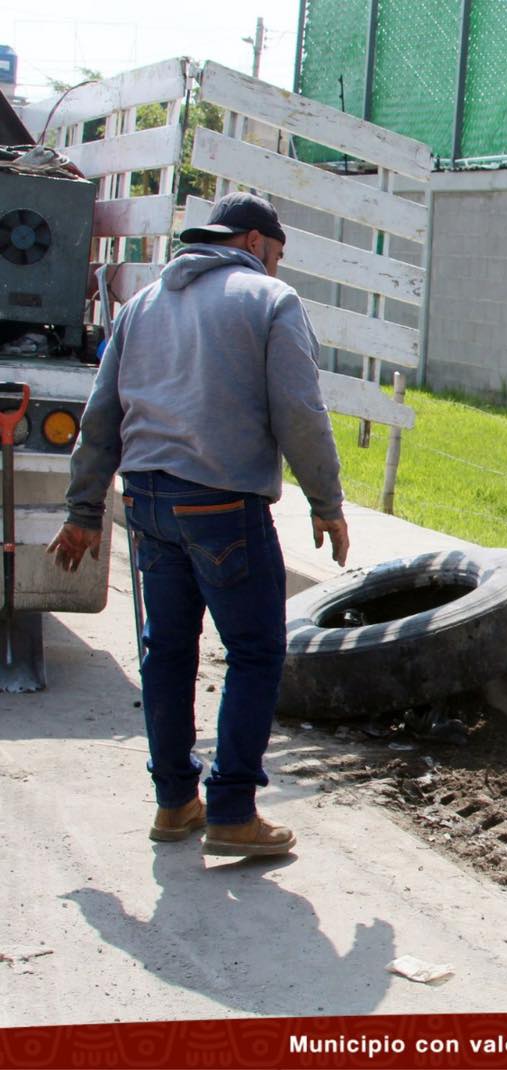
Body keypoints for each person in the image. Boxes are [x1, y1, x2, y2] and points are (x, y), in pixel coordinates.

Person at [49, 192, 349, 858]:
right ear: (250, 243)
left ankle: (174, 802)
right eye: (275, 254)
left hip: (148, 503)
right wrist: (326, 501)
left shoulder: (144, 305)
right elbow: (299, 412)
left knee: (169, 650)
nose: (275, 268)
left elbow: (102, 415)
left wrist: (83, 509)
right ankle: (234, 808)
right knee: (256, 651)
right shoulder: (270, 302)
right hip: (221, 504)